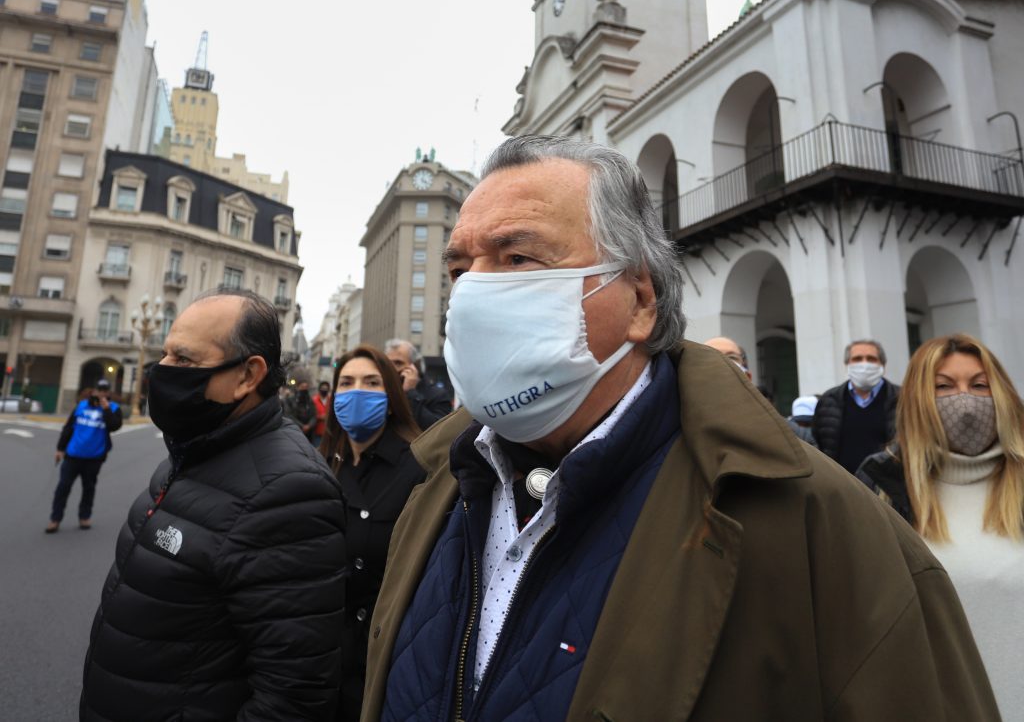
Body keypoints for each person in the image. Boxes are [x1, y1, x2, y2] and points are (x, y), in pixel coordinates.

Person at [362, 135, 997, 720]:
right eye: (459, 270)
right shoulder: (433, 490)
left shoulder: (823, 530)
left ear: (639, 300)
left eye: (517, 257)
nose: (472, 293)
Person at [80, 291, 347, 722]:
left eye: (183, 360)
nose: (162, 371)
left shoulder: (289, 491)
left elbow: (293, 698)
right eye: (164, 354)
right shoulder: (197, 447)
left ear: (247, 375)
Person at [857, 334, 1024, 720]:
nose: (964, 400)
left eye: (979, 385)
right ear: (918, 399)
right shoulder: (882, 485)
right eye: (944, 387)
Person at [319, 344, 424, 721]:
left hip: (379, 664)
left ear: (392, 397)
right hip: (322, 659)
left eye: (371, 382)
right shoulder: (321, 465)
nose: (356, 392)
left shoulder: (418, 467)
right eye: (345, 383)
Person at [812, 339, 899, 474]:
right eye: (857, 359)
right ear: (847, 364)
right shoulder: (828, 401)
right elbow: (820, 446)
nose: (864, 364)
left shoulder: (903, 399)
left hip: (887, 488)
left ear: (883, 365)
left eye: (871, 359)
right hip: (843, 487)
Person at [46, 378, 122, 533]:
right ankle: (55, 519)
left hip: (94, 458)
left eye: (105, 390)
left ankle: (84, 517)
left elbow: (114, 426)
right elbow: (68, 427)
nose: (101, 393)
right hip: (73, 455)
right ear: (94, 391)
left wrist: (106, 409)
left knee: (88, 488)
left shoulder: (113, 408)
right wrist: (60, 449)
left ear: (108, 392)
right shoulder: (81, 406)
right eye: (99, 390)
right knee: (63, 487)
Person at [384, 338, 451, 429]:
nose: (392, 369)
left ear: (415, 366)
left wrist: (411, 393)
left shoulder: (438, 395)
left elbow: (437, 431)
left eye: (398, 363)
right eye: (388, 363)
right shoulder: (382, 391)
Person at [284, 372, 317, 441]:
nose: (304, 389)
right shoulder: (290, 400)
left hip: (309, 435)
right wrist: (302, 426)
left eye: (306, 387)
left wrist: (309, 426)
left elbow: (314, 416)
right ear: (297, 387)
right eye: (302, 387)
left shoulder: (310, 401)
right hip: (294, 432)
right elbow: (289, 415)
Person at [312, 379, 331, 447]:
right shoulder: (314, 400)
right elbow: (310, 415)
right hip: (316, 431)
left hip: (328, 432)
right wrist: (320, 417)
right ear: (319, 389)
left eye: (326, 388)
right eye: (323, 388)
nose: (324, 390)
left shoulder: (331, 400)